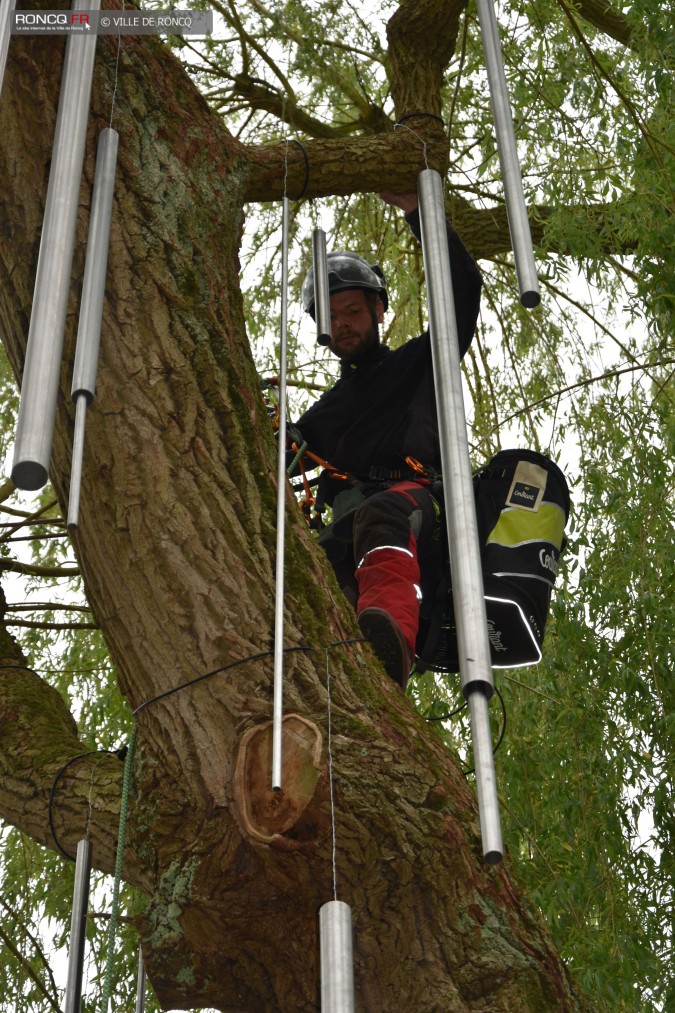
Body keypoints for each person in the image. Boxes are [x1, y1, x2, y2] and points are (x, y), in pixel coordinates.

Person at [291, 192, 482, 689]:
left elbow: (460, 293)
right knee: (301, 573)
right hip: (349, 531)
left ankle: (389, 639)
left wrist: (420, 211)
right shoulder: (326, 414)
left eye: (352, 310)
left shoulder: (421, 363)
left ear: (378, 310)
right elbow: (278, 456)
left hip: (412, 510)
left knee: (382, 515)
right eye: (330, 319)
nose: (342, 324)